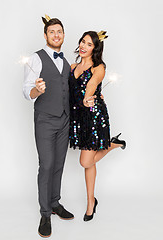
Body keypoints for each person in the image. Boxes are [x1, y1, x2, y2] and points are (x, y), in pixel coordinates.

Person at [23, 15, 74, 238]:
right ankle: (45, 213)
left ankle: (55, 203)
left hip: (64, 119)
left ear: (63, 35)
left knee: (59, 164)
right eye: (52, 32)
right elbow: (26, 91)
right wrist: (37, 91)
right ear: (45, 35)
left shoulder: (65, 61)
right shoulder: (36, 58)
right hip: (45, 118)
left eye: (59, 31)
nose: (56, 35)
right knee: (46, 164)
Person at [68, 30, 126, 222]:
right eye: (82, 42)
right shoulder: (72, 66)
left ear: (95, 48)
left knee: (85, 162)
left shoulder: (99, 68)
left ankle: (112, 144)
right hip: (77, 117)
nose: (84, 46)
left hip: (93, 117)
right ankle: (91, 201)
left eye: (89, 44)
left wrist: (87, 99)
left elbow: (91, 87)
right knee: (89, 161)